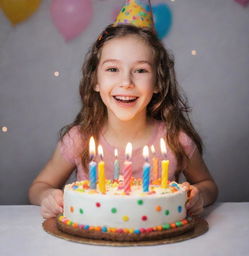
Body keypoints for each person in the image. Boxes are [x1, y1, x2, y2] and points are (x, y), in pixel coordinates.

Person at [29, 1, 218, 220]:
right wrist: (48, 196)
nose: (126, 82)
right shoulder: (79, 139)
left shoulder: (176, 140)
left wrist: (199, 195)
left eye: (140, 70)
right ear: (95, 81)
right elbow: (38, 187)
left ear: (158, 82)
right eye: (112, 69)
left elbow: (208, 186)